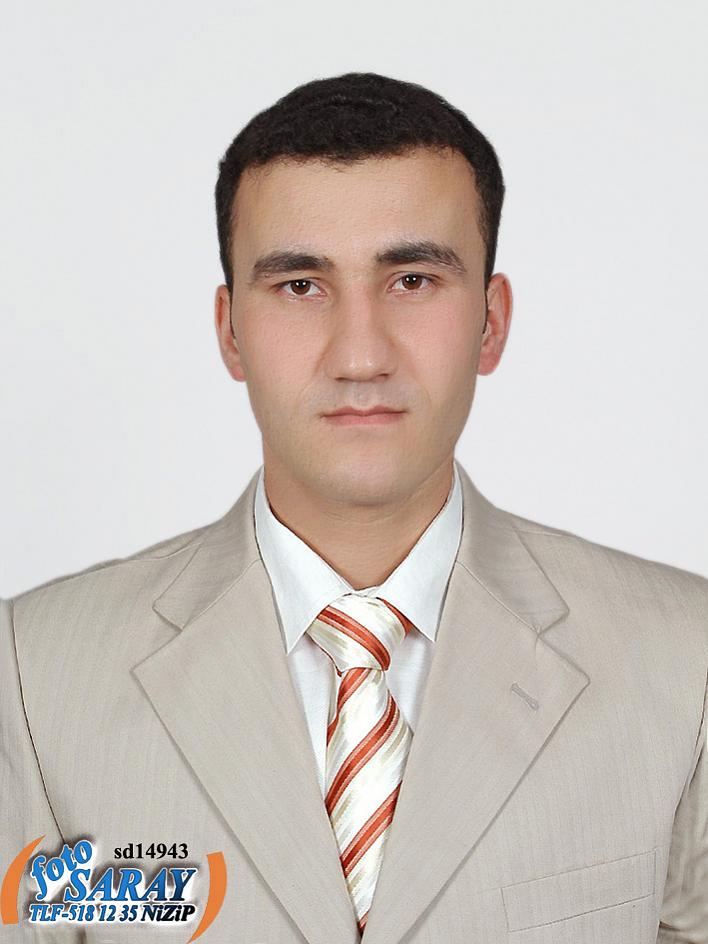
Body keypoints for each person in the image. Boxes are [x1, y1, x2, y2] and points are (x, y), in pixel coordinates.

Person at [1, 72, 706, 944]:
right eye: (301, 285)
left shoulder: (686, 661)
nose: (361, 355)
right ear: (230, 329)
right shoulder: (32, 675)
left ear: (491, 321)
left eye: (412, 279)